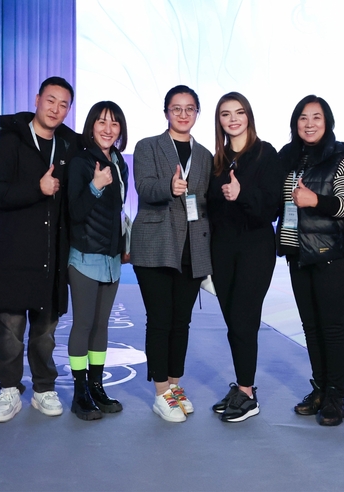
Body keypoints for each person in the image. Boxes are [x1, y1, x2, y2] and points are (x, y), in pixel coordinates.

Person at [0, 76, 79, 423]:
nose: (56, 109)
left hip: (51, 256)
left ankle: (43, 388)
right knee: (9, 330)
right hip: (11, 253)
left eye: (63, 104)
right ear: (37, 100)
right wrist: (36, 188)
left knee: (46, 332)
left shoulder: (68, 146)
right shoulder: (8, 143)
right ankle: (8, 389)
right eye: (50, 100)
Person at [275, 95, 344, 427]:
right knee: (311, 328)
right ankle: (321, 389)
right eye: (303, 118)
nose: (309, 124)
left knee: (332, 327)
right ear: (295, 123)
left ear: (327, 123)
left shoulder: (338, 156)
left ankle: (336, 397)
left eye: (317, 118)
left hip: (331, 253)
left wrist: (315, 200)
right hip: (297, 253)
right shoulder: (288, 157)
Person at [130, 85, 213, 423]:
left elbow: (204, 204)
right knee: (160, 320)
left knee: (182, 322)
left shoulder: (205, 155)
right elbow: (143, 187)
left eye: (189, 108)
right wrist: (169, 186)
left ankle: (175, 387)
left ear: (196, 113)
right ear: (166, 112)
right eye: (176, 108)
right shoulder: (147, 146)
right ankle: (161, 391)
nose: (182, 114)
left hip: (191, 249)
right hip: (155, 246)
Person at [207, 92, 282, 422]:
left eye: (239, 112)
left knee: (243, 320)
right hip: (222, 250)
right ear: (219, 120)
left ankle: (249, 393)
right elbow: (210, 209)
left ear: (249, 116)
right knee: (232, 323)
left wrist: (242, 195)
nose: (233, 119)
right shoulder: (217, 160)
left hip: (255, 248)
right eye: (225, 114)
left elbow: (273, 206)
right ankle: (241, 386)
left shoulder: (266, 154)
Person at [66, 101, 129, 421]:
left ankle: (97, 386)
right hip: (84, 256)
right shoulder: (79, 162)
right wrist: (95, 186)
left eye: (115, 123)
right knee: (84, 324)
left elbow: (116, 213)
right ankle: (79, 393)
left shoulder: (120, 163)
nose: (108, 129)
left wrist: (123, 245)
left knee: (102, 325)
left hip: (111, 258)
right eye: (102, 122)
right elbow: (74, 213)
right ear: (91, 126)